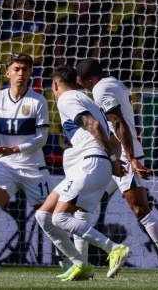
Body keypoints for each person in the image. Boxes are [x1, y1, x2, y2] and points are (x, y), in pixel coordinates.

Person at [75, 58, 158, 281]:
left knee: (139, 209)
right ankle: (80, 265)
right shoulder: (113, 82)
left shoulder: (101, 89)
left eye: (81, 83)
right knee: (84, 205)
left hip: (124, 156)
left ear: (89, 80)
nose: (82, 87)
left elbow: (118, 122)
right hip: (114, 154)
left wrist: (132, 158)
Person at [35, 65, 129, 281]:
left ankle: (114, 248)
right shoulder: (87, 100)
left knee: (60, 217)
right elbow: (113, 139)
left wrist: (113, 161)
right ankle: (81, 264)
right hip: (91, 163)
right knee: (44, 215)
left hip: (91, 162)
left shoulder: (67, 99)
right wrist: (113, 161)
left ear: (55, 85)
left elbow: (94, 125)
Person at [0, 52, 52, 272]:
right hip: (6, 167)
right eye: (16, 69)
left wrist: (14, 148)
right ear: (7, 73)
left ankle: (66, 257)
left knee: (49, 218)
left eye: (25, 70)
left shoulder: (38, 100)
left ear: (30, 74)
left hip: (33, 167)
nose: (21, 74)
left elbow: (41, 138)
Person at [118, 0, 158, 87]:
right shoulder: (127, 24)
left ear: (154, 5)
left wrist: (151, 30)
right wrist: (130, 51)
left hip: (152, 76)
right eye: (141, 2)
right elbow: (119, 45)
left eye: (148, 2)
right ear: (136, 4)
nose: (144, 5)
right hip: (127, 75)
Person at [55, 0, 102, 67]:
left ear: (88, 1)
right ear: (70, 0)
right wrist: (65, 68)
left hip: (88, 67)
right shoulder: (62, 22)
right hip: (67, 66)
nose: (80, 2)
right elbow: (57, 49)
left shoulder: (95, 22)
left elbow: (97, 50)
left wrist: (87, 68)